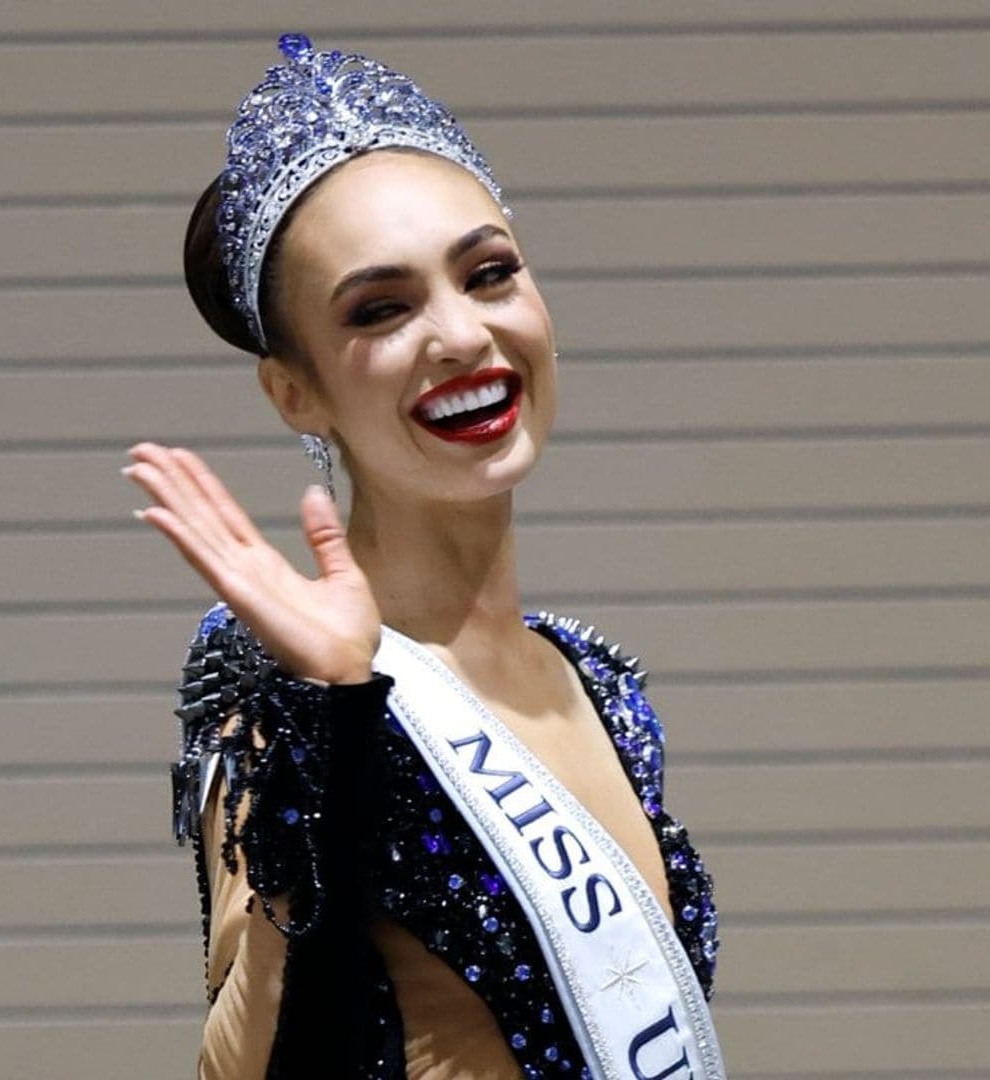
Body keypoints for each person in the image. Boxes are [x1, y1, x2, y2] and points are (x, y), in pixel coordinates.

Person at [123, 33, 724, 1080]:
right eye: (382, 309)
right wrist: (337, 721)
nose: (460, 335)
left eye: (489, 274)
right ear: (295, 392)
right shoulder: (284, 685)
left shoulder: (599, 679)